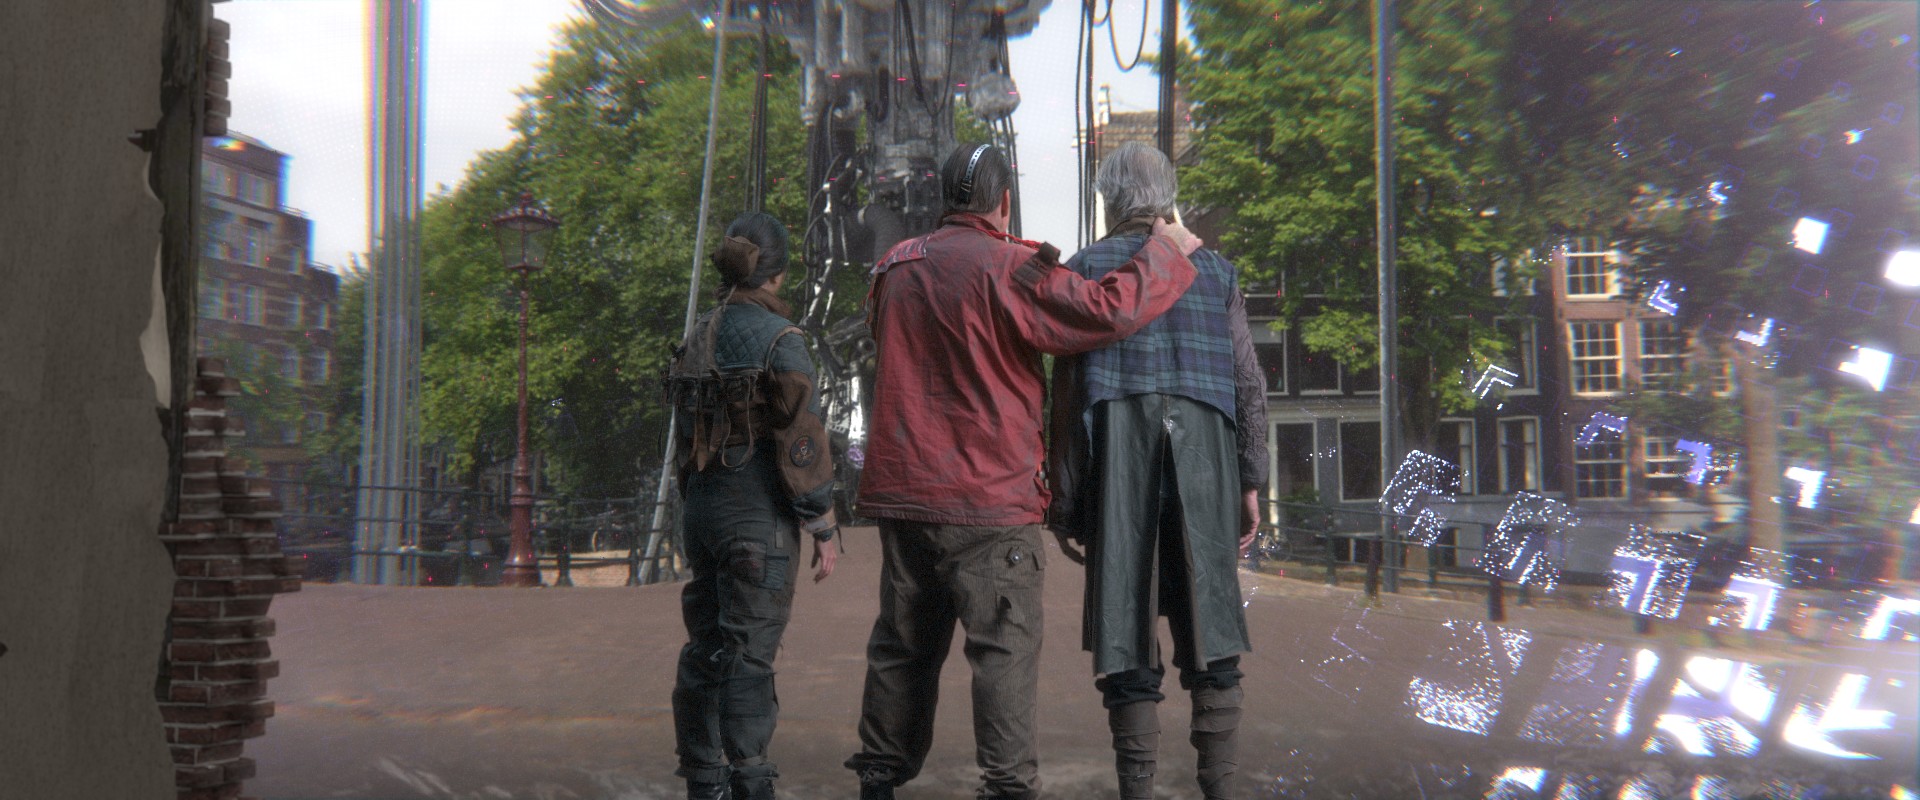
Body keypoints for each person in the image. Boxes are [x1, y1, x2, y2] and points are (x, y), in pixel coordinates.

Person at [846, 142, 1205, 800]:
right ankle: (1008, 785)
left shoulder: (894, 267)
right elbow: (1103, 311)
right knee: (1003, 651)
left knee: (902, 644)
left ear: (946, 200)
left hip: (904, 496)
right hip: (989, 500)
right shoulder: (1014, 268)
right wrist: (1167, 252)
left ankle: (878, 776)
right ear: (1004, 202)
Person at [1047, 142, 1269, 800]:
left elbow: (1065, 400)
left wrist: (1066, 501)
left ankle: (1137, 789)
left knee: (1125, 631)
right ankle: (1218, 788)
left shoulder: (1083, 272)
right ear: (1168, 195)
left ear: (1108, 199)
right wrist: (1250, 479)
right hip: (1207, 459)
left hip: (1117, 457)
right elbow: (1248, 385)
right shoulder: (1217, 272)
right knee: (1212, 631)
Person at [664, 211, 840, 800]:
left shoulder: (697, 335)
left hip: (702, 514)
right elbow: (801, 440)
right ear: (778, 273)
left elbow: (684, 437)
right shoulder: (783, 341)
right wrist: (822, 523)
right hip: (756, 521)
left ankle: (702, 778)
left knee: (706, 645)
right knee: (749, 655)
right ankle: (750, 780)